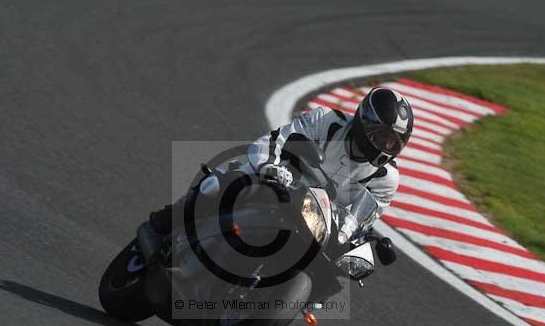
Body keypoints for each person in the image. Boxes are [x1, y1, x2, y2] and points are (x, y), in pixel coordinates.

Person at [150, 87, 414, 235]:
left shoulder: (386, 179)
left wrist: (353, 232)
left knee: (339, 273)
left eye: (395, 142)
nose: (387, 146)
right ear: (365, 122)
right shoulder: (326, 122)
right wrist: (270, 167)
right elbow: (275, 140)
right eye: (382, 136)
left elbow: (366, 217)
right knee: (227, 183)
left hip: (315, 222)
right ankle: (172, 219)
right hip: (279, 185)